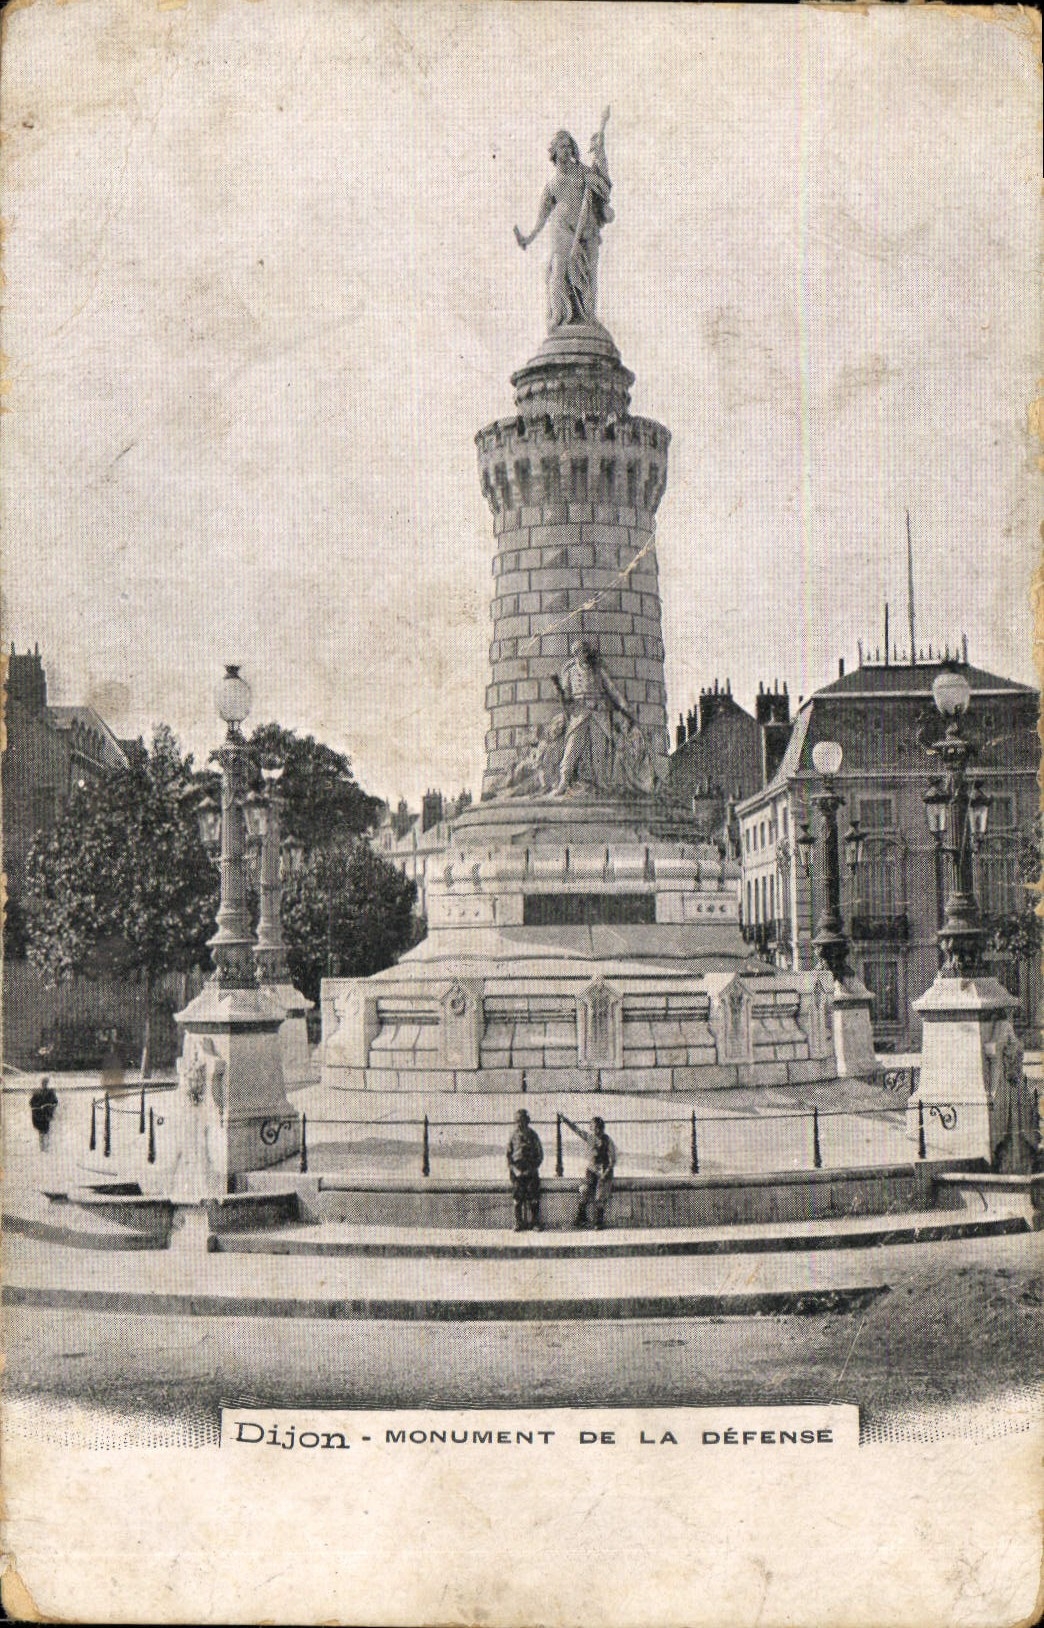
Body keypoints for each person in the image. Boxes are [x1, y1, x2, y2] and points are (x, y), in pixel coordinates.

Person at [514, 111, 613, 331]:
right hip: (561, 230)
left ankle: (586, 317)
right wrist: (528, 238)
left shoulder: (582, 172)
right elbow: (542, 217)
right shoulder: (551, 185)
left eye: (570, 146)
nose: (567, 150)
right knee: (558, 273)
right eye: (562, 147)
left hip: (586, 231)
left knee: (588, 275)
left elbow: (604, 188)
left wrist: (601, 154)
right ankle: (559, 320)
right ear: (554, 152)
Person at [566, 1115, 617, 1229]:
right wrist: (565, 1120)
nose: (597, 1130)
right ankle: (581, 1217)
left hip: (604, 1171)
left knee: (600, 1196)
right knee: (585, 1191)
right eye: (594, 1128)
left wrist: (605, 1173)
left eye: (599, 1128)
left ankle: (598, 1221)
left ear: (603, 1128)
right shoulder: (589, 1137)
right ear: (591, 1128)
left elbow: (612, 1160)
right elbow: (576, 1130)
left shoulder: (607, 1140)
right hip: (591, 1170)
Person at [506, 1108, 544, 1231]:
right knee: (517, 1197)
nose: (520, 1123)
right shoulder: (513, 1136)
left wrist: (532, 1169)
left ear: (527, 1121)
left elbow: (540, 1155)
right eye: (517, 1121)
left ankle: (535, 1222)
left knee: (533, 1195)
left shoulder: (533, 1135)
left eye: (522, 1120)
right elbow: (508, 1156)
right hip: (517, 1171)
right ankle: (518, 1222)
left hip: (531, 1170)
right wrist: (514, 1170)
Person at [29, 1076, 59, 1152]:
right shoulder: (37, 1093)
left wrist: (50, 1107)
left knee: (46, 1131)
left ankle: (46, 1147)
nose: (44, 1084)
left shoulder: (51, 1093)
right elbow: (31, 1103)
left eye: (45, 1083)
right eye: (43, 1083)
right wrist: (37, 1107)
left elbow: (55, 1102)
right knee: (41, 1132)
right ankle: (42, 1148)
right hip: (39, 1115)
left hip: (46, 1114)